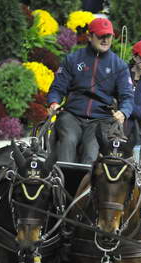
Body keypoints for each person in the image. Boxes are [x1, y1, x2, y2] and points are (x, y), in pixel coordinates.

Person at [47, 17, 134, 164]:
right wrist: (54, 102)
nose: (105, 40)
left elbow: (127, 97)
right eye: (101, 36)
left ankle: (86, 186)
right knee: (68, 139)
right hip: (71, 115)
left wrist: (124, 111)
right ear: (89, 36)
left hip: (101, 119)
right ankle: (63, 181)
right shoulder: (72, 59)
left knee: (91, 148)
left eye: (109, 36)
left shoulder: (119, 66)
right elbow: (57, 87)